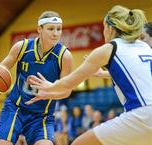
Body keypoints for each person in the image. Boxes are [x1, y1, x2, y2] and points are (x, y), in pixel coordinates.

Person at [27, 5, 152, 145]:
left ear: (110, 28)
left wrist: (50, 86)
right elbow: (138, 75)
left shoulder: (109, 48)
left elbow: (69, 83)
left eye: (104, 27)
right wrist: (102, 73)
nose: (104, 32)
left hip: (142, 114)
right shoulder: (144, 47)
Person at [0, 11, 73, 145]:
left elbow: (66, 91)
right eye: (51, 29)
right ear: (39, 29)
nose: (56, 33)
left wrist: (49, 90)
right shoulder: (22, 47)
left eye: (59, 29)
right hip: (15, 108)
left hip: (41, 115)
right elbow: (1, 69)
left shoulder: (64, 56)